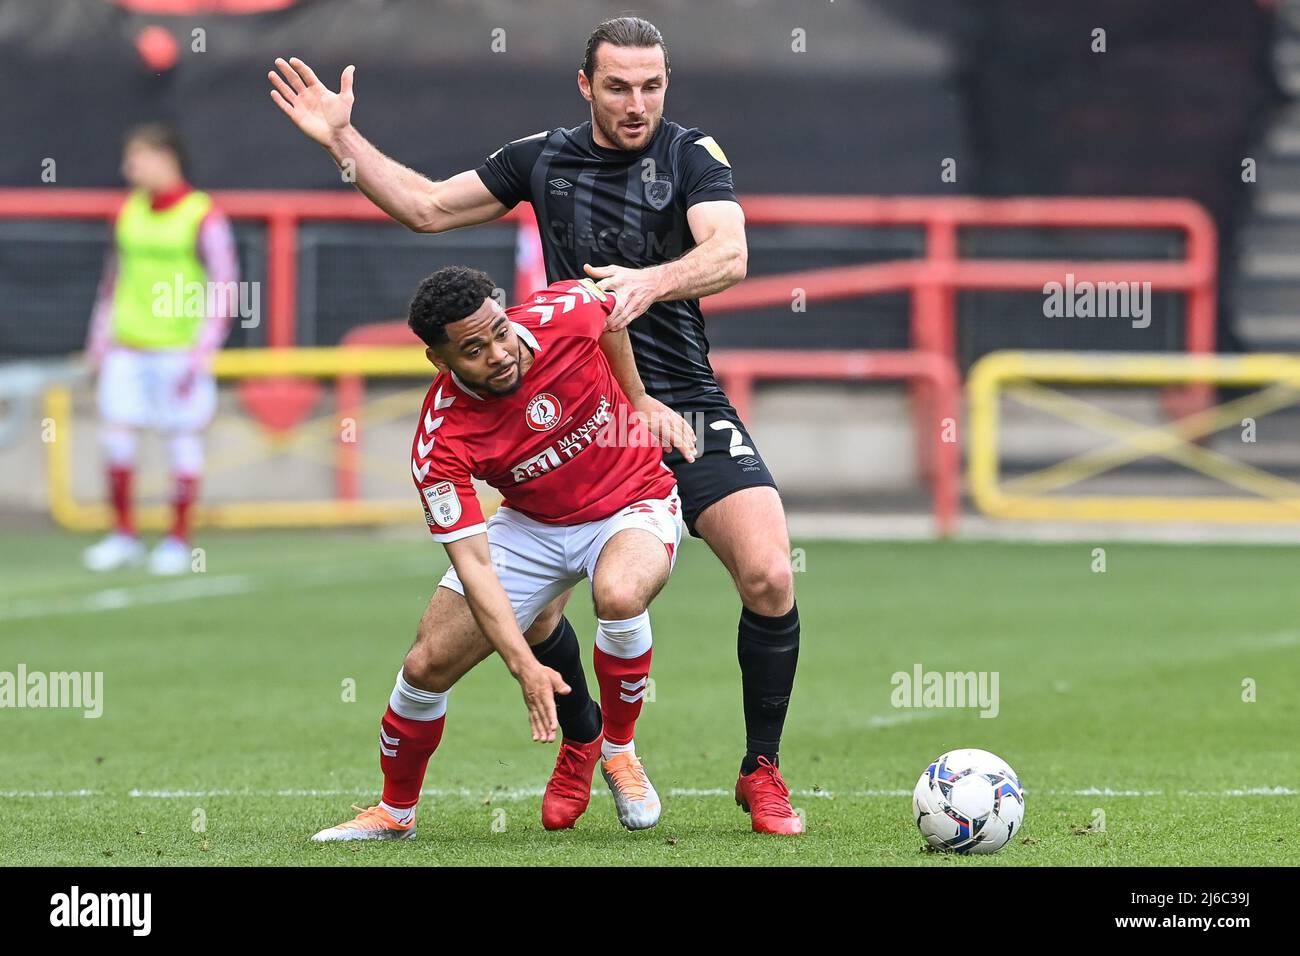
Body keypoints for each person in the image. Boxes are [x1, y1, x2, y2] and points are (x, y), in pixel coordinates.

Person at [271, 15, 803, 835]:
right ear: (585, 86)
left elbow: (728, 255)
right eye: (619, 86)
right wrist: (343, 142)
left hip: (676, 397)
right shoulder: (542, 159)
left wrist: (645, 284)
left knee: (769, 574)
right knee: (534, 600)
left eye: (652, 86)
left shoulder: (691, 155)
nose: (637, 104)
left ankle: (760, 771)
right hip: (558, 389)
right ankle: (585, 739)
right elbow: (424, 208)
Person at [312, 266, 697, 841]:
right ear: (439, 361)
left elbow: (612, 311)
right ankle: (396, 813)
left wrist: (638, 398)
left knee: (618, 594)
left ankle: (618, 749)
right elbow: (474, 566)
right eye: (472, 349)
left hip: (633, 500)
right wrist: (523, 667)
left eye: (499, 331)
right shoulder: (441, 439)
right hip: (531, 525)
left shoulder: (564, 313)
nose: (497, 353)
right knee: (424, 668)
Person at [82, 123, 238, 575]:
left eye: (137, 158)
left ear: (165, 157)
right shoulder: (127, 211)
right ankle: (124, 536)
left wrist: (203, 349)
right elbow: (112, 280)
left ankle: (177, 541)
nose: (128, 168)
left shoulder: (200, 213)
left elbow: (225, 283)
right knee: (116, 438)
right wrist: (99, 340)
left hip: (178, 349)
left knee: (180, 441)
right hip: (126, 348)